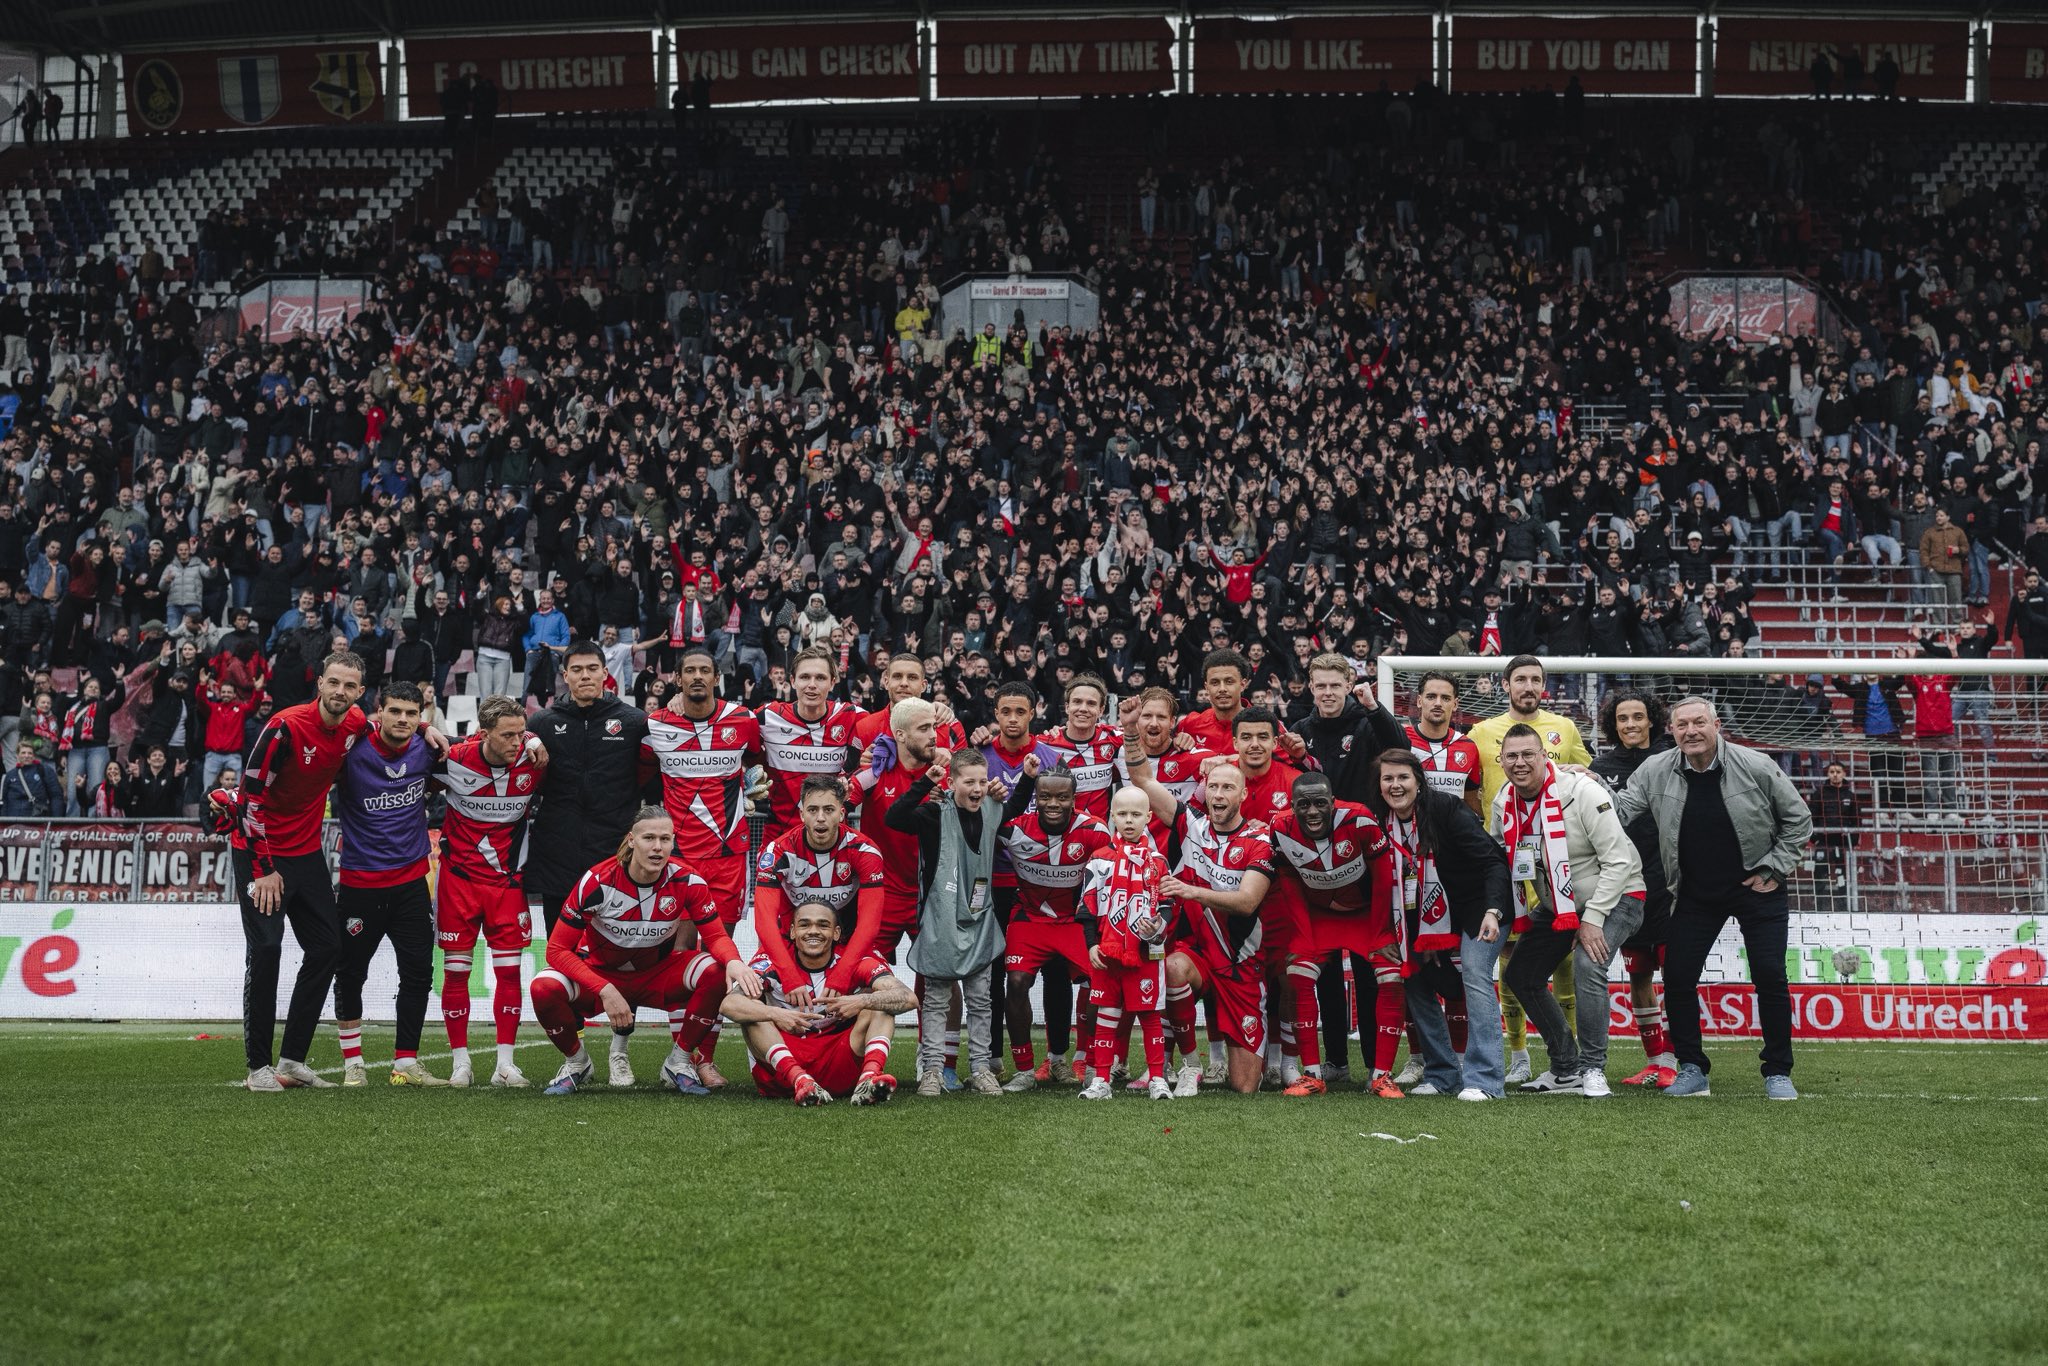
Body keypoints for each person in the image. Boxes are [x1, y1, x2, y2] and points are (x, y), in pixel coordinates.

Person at [1611, 697, 1812, 1100]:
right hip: (1694, 893)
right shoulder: (1654, 770)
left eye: (1699, 722)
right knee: (1679, 976)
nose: (1690, 731)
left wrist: (1773, 868)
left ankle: (1778, 1071)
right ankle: (1691, 1068)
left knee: (1770, 976)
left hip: (1757, 889)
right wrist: (1577, 786)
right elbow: (1619, 809)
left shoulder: (1755, 766)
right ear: (1672, 731)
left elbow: (1798, 819)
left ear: (1716, 724)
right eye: (1682, 725)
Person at [529, 806, 762, 1096]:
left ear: (673, 842)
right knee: (542, 987)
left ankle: (677, 1063)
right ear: (631, 840)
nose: (657, 847)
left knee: (716, 970)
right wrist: (604, 989)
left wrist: (735, 962)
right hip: (601, 974)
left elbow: (715, 936)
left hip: (656, 976)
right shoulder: (597, 882)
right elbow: (557, 950)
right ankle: (577, 1064)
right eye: (649, 838)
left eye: (665, 839)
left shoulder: (688, 881)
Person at [235, 651, 373, 1091]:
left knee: (327, 949)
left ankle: (292, 1059)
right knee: (268, 949)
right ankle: (258, 1066)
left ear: (360, 693)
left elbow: (389, 730)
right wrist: (264, 869)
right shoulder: (285, 726)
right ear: (320, 683)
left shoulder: (355, 725)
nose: (340, 692)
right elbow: (248, 798)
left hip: (306, 853)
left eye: (350, 686)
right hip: (260, 855)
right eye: (334, 683)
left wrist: (429, 731)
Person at [1120, 709, 1275, 1097]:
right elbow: (1142, 780)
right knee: (1172, 966)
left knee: (1245, 1087)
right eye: (1214, 787)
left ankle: (1259, 1047)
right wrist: (1128, 730)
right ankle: (1191, 1065)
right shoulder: (1191, 824)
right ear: (1204, 790)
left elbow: (1246, 901)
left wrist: (1193, 891)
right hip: (1200, 956)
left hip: (1241, 965)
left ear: (1243, 794)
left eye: (1228, 789)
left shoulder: (1260, 841)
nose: (1219, 795)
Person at [524, 640, 656, 1081]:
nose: (584, 676)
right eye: (576, 669)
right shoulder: (541, 722)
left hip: (615, 858)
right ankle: (576, 1057)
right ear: (565, 675)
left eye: (592, 668)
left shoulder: (633, 721)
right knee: (560, 954)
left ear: (606, 673)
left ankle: (620, 1049)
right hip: (558, 855)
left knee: (625, 954)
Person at [1492, 725, 1645, 1097]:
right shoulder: (1503, 803)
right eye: (1511, 756)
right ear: (1502, 761)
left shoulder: (1582, 792)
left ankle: (1593, 1068)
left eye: (1528, 754)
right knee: (1521, 975)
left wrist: (1592, 919)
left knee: (1588, 965)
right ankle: (1565, 1069)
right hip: (1558, 905)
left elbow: (1619, 860)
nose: (1520, 763)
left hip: (1619, 895)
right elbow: (1497, 859)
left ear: (1545, 756)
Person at [1464, 654, 1592, 1084]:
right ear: (1505, 685)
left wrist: (1577, 768)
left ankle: (1565, 1058)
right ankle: (1518, 1054)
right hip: (1507, 859)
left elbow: (1583, 774)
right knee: (1508, 957)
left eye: (1536, 679)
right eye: (1520, 679)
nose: (1529, 686)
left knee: (1563, 963)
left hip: (1556, 862)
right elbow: (1468, 788)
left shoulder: (1565, 728)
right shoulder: (1481, 733)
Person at [1363, 748, 1513, 1101]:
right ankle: (1443, 1073)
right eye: (1388, 778)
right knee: (1411, 974)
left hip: (1480, 905)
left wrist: (1493, 910)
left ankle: (1487, 1080)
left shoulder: (1444, 808)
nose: (1396, 785)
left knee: (1475, 971)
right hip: (1423, 917)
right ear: (1379, 784)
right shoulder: (1375, 820)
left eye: (1403, 778)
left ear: (1419, 782)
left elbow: (1492, 861)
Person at [642, 644, 763, 1068]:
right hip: (675, 861)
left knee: (718, 958)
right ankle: (681, 1054)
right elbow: (640, 773)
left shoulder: (743, 721)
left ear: (716, 678)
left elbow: (760, 761)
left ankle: (703, 1059)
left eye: (704, 671)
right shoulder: (655, 725)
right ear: (677, 679)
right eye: (689, 670)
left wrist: (752, 781)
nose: (697, 677)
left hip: (728, 856)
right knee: (681, 953)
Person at [329, 680, 443, 1088]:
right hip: (361, 885)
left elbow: (483, 742)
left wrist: (532, 739)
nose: (403, 720)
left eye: (412, 714)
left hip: (412, 884)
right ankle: (353, 1062)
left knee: (417, 973)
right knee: (350, 972)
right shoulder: (351, 751)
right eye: (395, 711)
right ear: (378, 712)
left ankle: (406, 1061)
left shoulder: (427, 748)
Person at [1264, 771, 1403, 1097]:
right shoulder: (1280, 827)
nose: (1312, 811)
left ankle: (1381, 1076)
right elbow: (1288, 880)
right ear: (1292, 806)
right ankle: (1312, 1075)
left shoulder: (1360, 820)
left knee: (1392, 978)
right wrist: (1302, 934)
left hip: (1366, 916)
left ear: (1333, 802)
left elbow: (1384, 879)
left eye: (1320, 803)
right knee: (1297, 973)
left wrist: (1383, 932)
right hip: (1319, 916)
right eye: (1303, 805)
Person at [433, 694, 547, 1088]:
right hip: (458, 881)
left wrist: (532, 738)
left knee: (510, 974)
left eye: (521, 734)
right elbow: (404, 742)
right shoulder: (453, 758)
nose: (517, 742)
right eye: (508, 735)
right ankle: (460, 1062)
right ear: (484, 734)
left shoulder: (534, 763)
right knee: (455, 973)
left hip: (507, 884)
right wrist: (425, 726)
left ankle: (505, 1064)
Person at [887, 746, 1007, 1097]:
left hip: (980, 921)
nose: (977, 788)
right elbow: (895, 818)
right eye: (969, 781)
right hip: (940, 922)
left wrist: (1027, 779)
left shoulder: (992, 808)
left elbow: (1013, 806)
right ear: (951, 782)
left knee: (982, 1001)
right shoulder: (933, 815)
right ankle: (933, 1071)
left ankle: (982, 1069)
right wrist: (925, 783)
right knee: (937, 1000)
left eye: (983, 781)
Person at [723, 898, 915, 1106]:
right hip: (785, 1067)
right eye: (805, 924)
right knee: (754, 1011)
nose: (813, 931)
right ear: (793, 931)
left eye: (823, 925)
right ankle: (801, 1080)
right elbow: (729, 1004)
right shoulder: (771, 960)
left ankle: (868, 1079)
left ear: (836, 933)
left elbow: (908, 997)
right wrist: (776, 1014)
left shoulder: (856, 959)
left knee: (879, 1004)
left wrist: (860, 1000)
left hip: (840, 1061)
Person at [994, 758, 1112, 1089]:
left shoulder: (1094, 831)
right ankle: (1024, 1070)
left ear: (1074, 799)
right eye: (1046, 796)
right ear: (1037, 797)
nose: (1053, 804)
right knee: (1015, 982)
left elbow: (1107, 882)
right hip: (1030, 917)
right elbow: (979, 829)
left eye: (1062, 798)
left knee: (1098, 981)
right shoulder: (1015, 829)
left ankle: (1087, 1063)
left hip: (1074, 921)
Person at [1590, 689, 1680, 1088]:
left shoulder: (1671, 759)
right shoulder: (1602, 766)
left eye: (1637, 717)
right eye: (1622, 718)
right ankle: (1655, 1059)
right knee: (1639, 974)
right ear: (1614, 724)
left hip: (1671, 882)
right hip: (1627, 883)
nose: (1630, 725)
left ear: (1651, 720)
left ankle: (1677, 1059)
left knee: (1677, 975)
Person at [1075, 787, 1174, 1101]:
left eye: (1136, 814)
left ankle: (1158, 1078)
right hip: (1108, 953)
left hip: (1145, 953)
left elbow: (1169, 906)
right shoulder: (1099, 860)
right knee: (1105, 1014)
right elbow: (1087, 907)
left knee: (1150, 1016)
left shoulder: (1157, 862)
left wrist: (1158, 925)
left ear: (1148, 817)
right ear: (1112, 817)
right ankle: (1101, 1080)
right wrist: (1092, 946)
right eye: (1122, 814)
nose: (1129, 821)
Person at [752, 775, 886, 997]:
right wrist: (788, 975)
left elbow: (869, 925)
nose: (821, 818)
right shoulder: (777, 852)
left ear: (842, 814)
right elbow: (764, 921)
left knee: (882, 991)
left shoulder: (865, 852)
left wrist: (843, 973)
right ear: (802, 814)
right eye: (813, 810)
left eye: (829, 810)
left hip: (846, 946)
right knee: (748, 991)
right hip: (791, 945)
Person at [758, 645, 866, 842]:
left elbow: (894, 729)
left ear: (833, 683)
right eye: (805, 677)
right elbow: (724, 722)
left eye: (821, 678)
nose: (812, 685)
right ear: (793, 681)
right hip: (780, 838)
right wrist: (681, 699)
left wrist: (936, 709)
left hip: (832, 838)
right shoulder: (768, 716)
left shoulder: (852, 716)